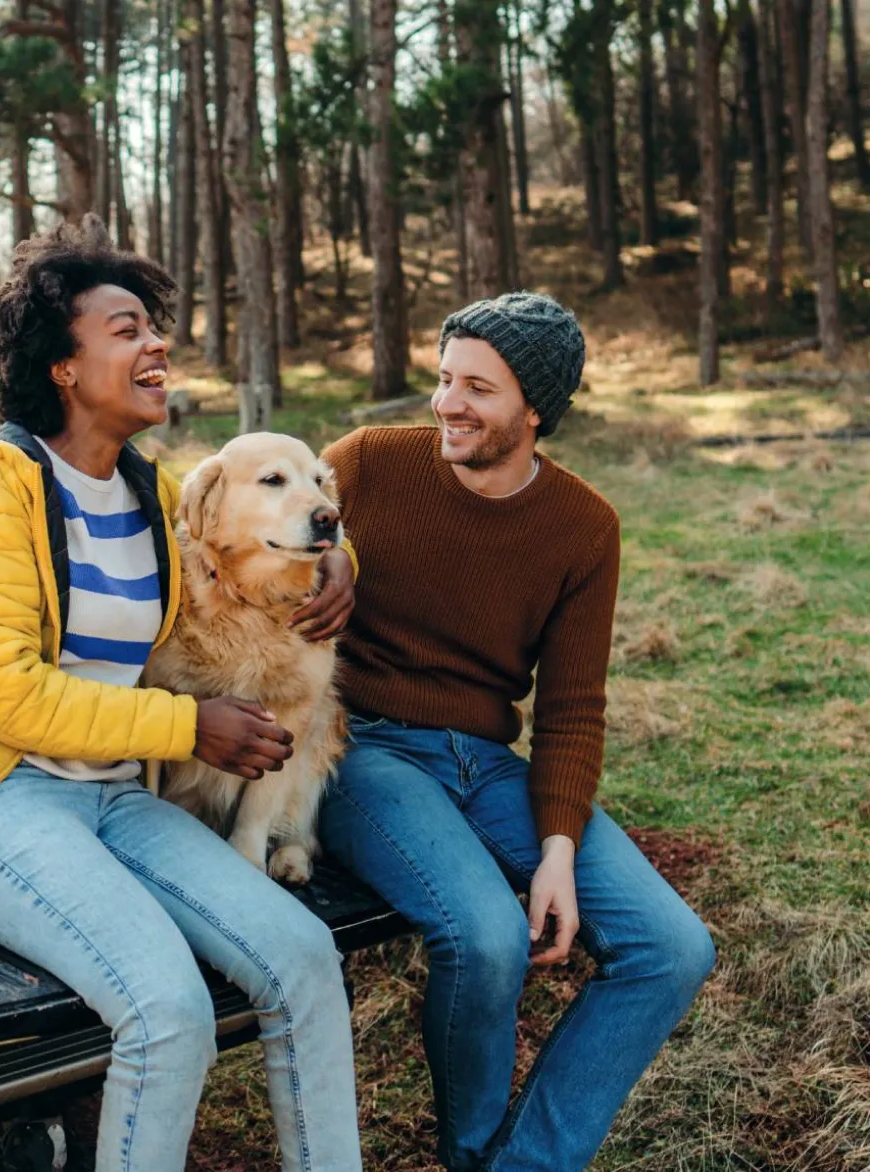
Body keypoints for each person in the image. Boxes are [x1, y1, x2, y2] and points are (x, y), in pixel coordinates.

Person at [0, 222, 361, 1172]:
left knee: (307, 962)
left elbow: (266, 512)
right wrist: (189, 724)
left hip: (117, 794)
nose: (156, 346)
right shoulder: (2, 490)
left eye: (155, 329)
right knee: (167, 1007)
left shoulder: (151, 492)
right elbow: (2, 693)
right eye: (125, 329)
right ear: (63, 366)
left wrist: (342, 551)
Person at [318, 292, 716, 1171]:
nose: (447, 405)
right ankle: (473, 1153)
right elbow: (269, 537)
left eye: (477, 390)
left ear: (535, 409)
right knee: (488, 936)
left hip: (488, 763)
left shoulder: (583, 528)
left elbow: (574, 708)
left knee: (672, 948)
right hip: (363, 748)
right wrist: (329, 562)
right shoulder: (368, 464)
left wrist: (559, 852)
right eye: (444, 379)